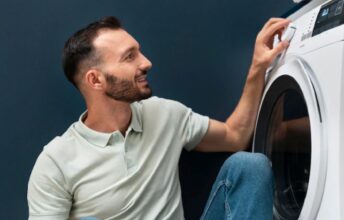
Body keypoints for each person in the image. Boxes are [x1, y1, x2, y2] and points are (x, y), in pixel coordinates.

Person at [27, 16, 290, 220]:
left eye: (139, 51)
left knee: (250, 166)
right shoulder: (56, 163)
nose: (146, 62)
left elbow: (235, 136)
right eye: (129, 57)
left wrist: (258, 68)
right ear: (95, 79)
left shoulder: (164, 113)